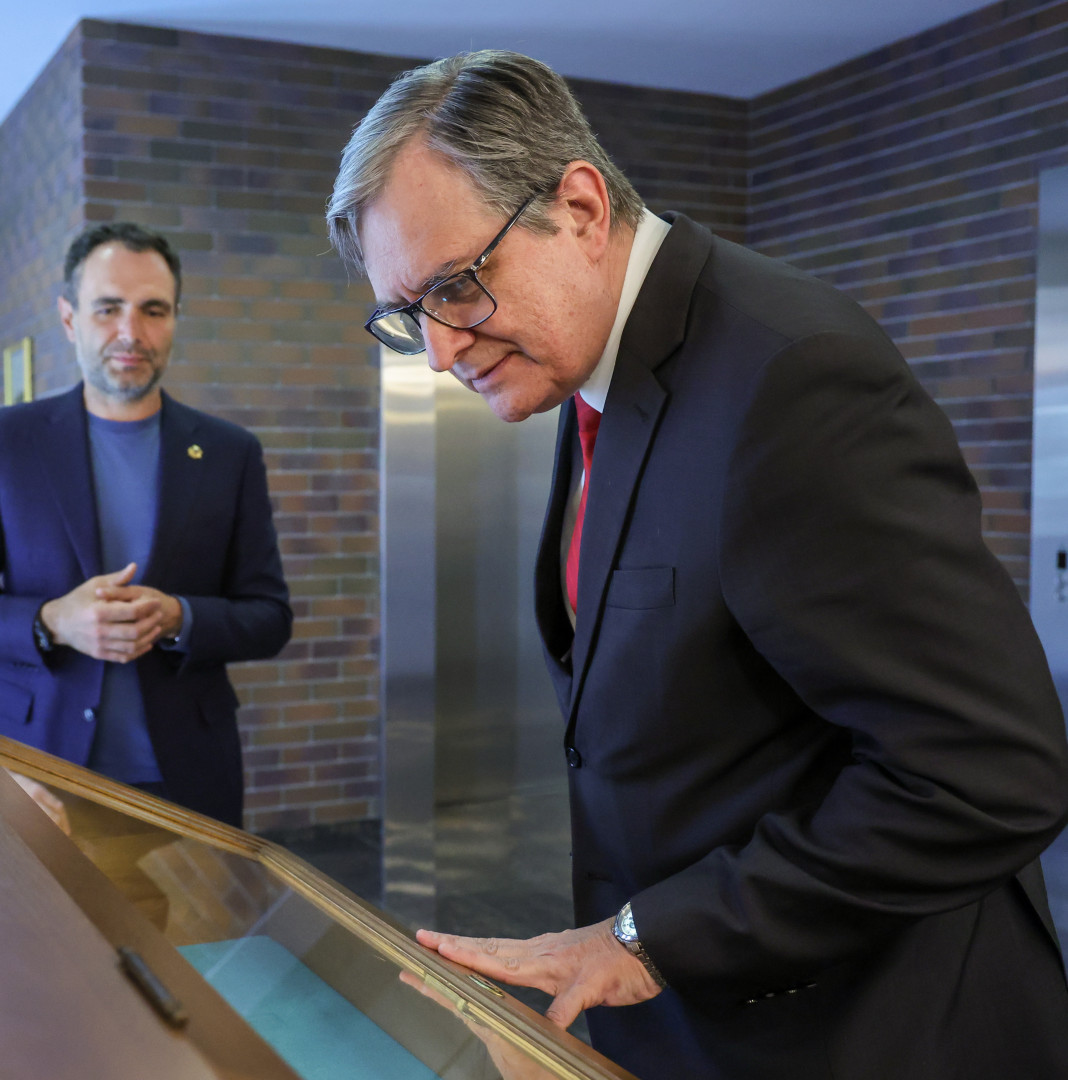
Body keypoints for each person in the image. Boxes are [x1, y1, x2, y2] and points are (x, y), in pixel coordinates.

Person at [327, 50, 1068, 1079]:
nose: (442, 352)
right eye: (410, 316)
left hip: (865, 1028)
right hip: (698, 1014)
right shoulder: (591, 360)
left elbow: (987, 774)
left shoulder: (791, 377)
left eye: (456, 287)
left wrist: (650, 940)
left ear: (580, 209)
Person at [0, 222, 292, 827]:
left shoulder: (230, 453)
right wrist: (52, 621)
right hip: (36, 766)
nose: (131, 332)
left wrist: (180, 616)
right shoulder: (4, 442)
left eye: (153, 310)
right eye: (108, 308)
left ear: (175, 319)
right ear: (70, 319)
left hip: (187, 776)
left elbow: (269, 618)